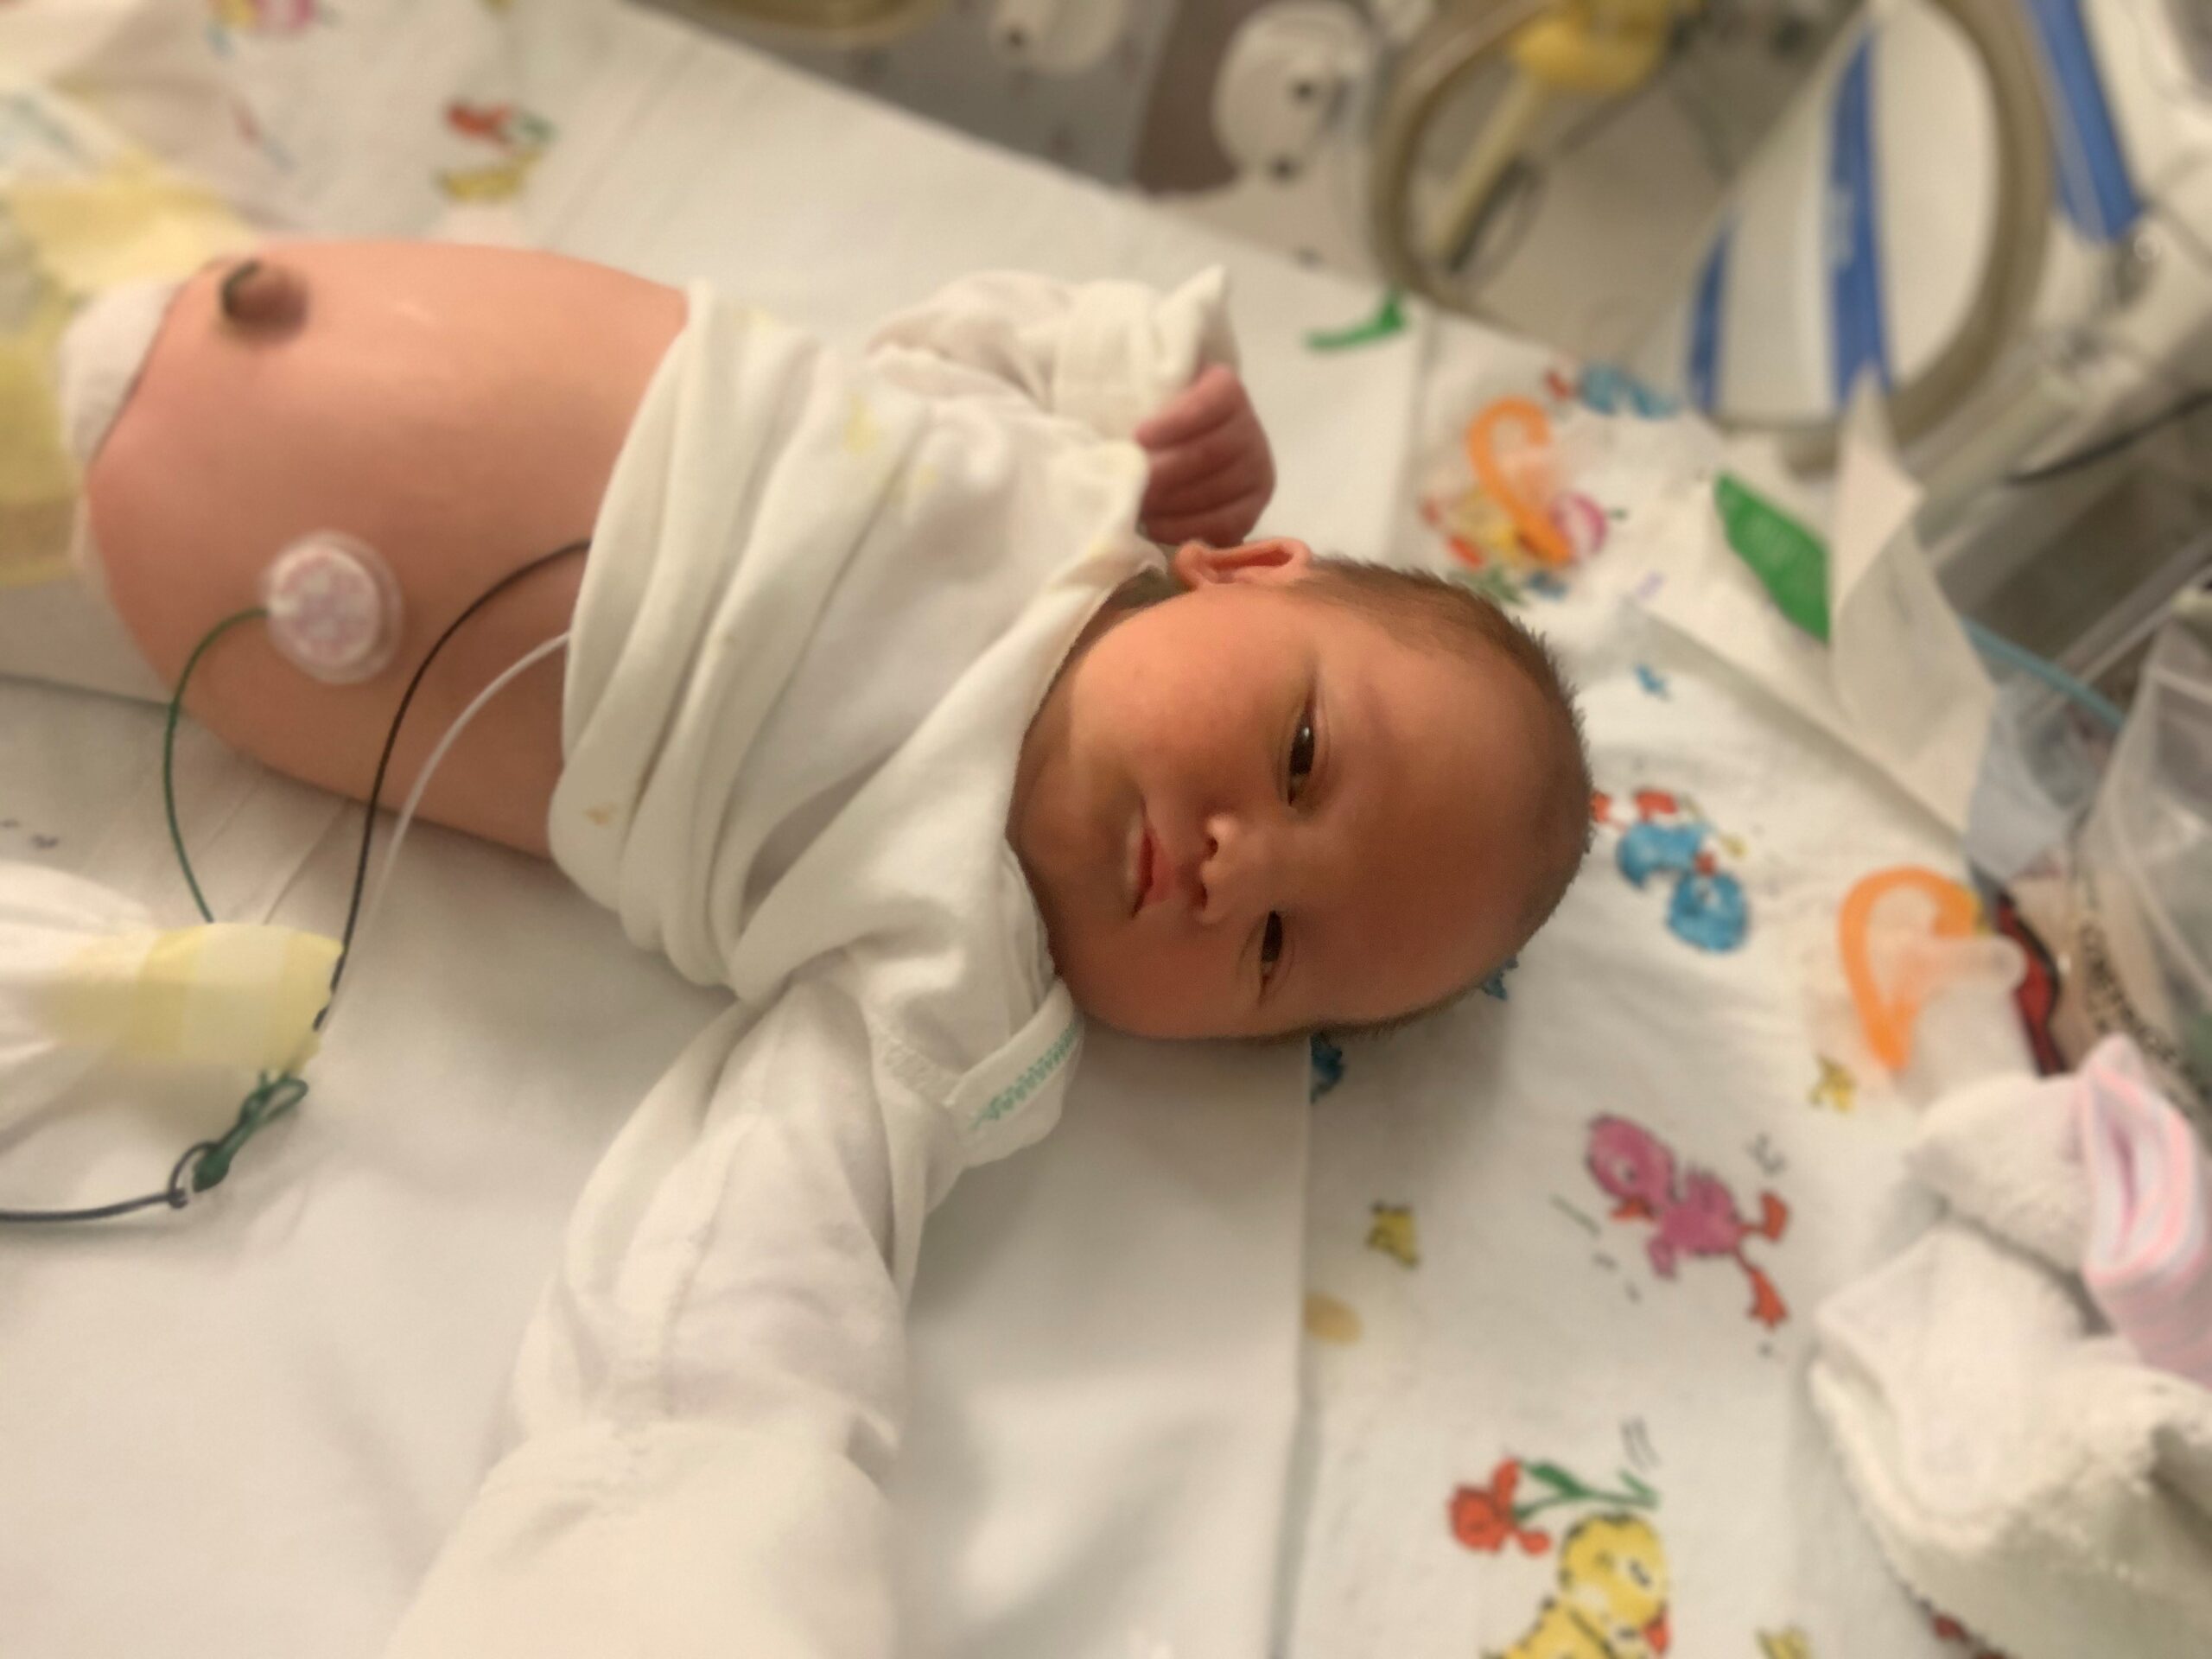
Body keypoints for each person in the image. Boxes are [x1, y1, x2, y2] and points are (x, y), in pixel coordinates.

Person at [56, 241, 1592, 1654]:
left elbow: (760, 1259)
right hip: (336, 330)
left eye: (1271, 949)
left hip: (230, 615)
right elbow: (964, 333)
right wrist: (1155, 401)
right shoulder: (1073, 487)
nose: (1231, 862)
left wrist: (684, 1544)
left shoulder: (951, 970)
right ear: (1245, 566)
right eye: (1304, 751)